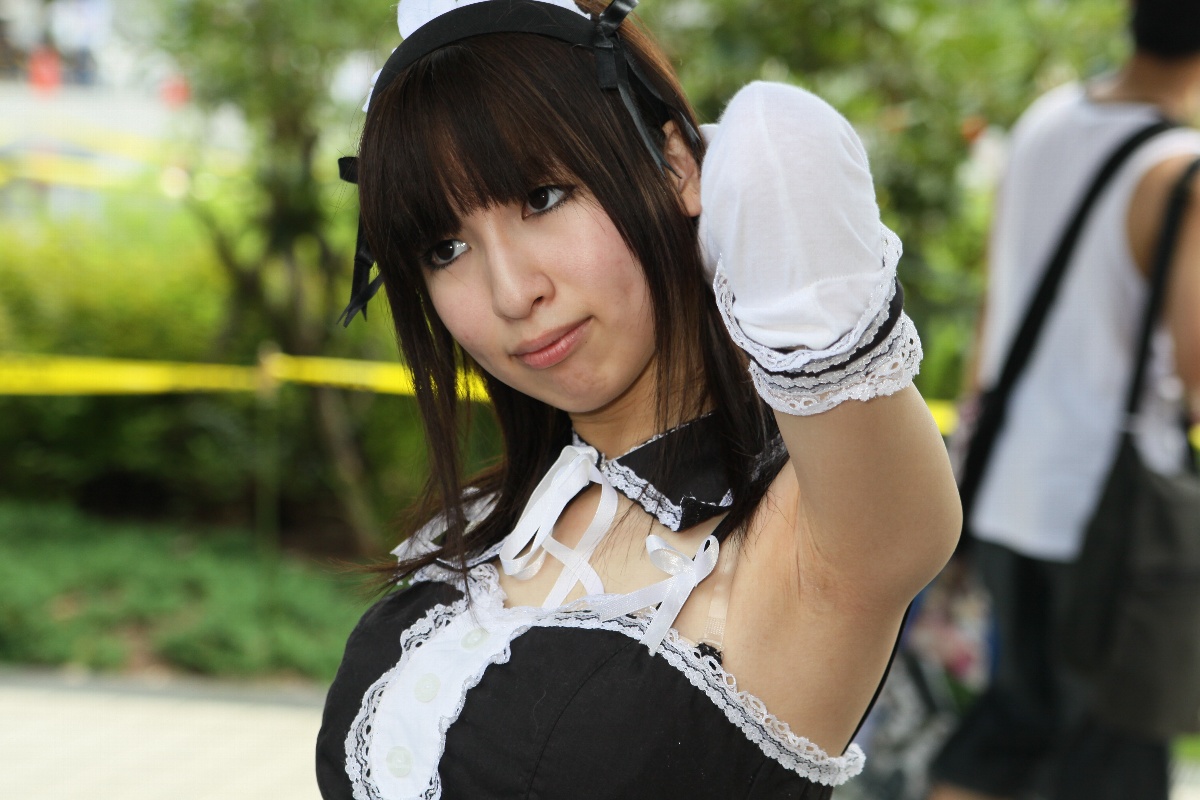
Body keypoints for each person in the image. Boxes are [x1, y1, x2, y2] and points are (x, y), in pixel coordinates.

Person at [315, 1, 960, 797]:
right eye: (445, 248)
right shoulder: (483, 525)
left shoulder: (815, 540)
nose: (512, 292)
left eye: (542, 197)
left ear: (677, 165)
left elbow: (781, 146)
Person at [928, 2, 1200, 799]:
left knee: (1011, 726)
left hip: (1009, 481)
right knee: (1112, 752)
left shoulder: (1048, 119)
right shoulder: (1179, 168)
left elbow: (998, 300)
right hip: (1108, 513)